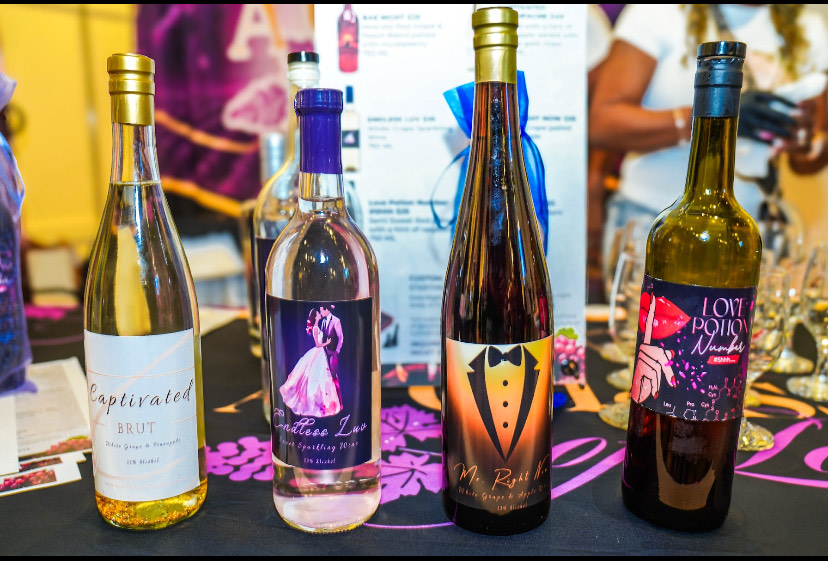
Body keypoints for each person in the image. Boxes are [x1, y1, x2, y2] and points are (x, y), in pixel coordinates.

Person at [589, 4, 828, 263]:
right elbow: (603, 124)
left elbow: (809, 156)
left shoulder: (807, 27)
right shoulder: (659, 12)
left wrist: (803, 140)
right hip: (654, 220)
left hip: (748, 229)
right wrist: (714, 117)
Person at [279, 308, 342, 417]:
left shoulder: (319, 326)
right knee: (318, 377)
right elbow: (317, 344)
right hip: (320, 352)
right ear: (316, 316)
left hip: (322, 352)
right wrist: (326, 343)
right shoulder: (316, 328)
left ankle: (324, 403)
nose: (320, 314)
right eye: (318, 313)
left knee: (322, 377)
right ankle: (317, 403)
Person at [319, 304, 344, 403]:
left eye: (321, 310)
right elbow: (322, 335)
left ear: (327, 310)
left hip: (333, 352)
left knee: (333, 375)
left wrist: (337, 351)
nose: (320, 312)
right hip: (325, 352)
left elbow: (341, 337)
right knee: (326, 376)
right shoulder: (323, 321)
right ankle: (328, 402)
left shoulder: (336, 321)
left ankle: (338, 401)